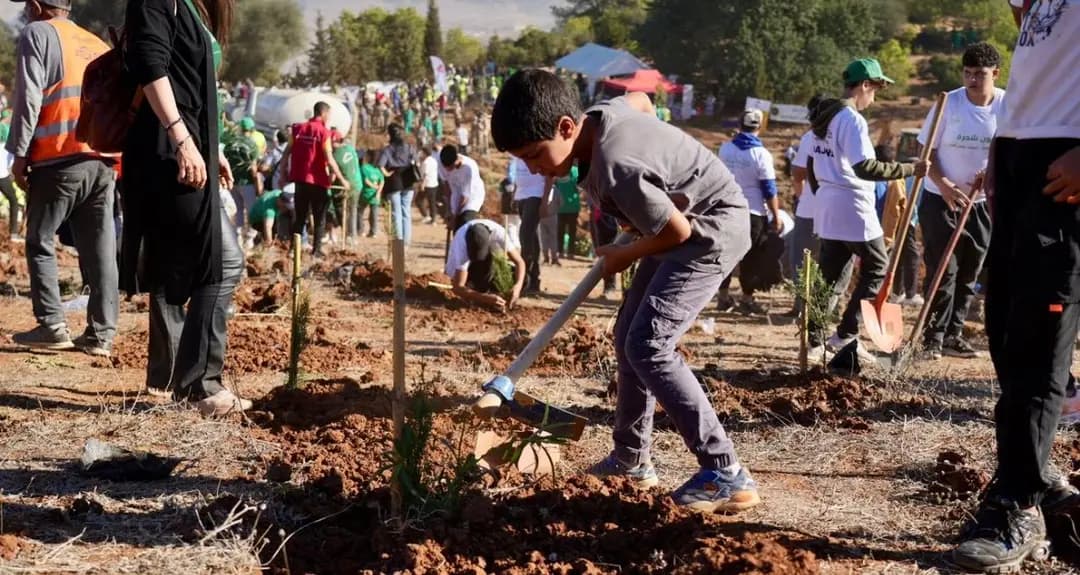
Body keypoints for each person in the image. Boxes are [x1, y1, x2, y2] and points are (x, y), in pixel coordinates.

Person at [492, 69, 759, 512]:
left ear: (566, 127)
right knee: (627, 338)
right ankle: (631, 459)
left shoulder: (616, 168)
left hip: (711, 230)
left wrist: (625, 254)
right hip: (677, 225)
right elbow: (640, 102)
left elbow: (676, 231)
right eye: (522, 160)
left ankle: (725, 471)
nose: (532, 167)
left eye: (535, 154)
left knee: (650, 344)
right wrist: (665, 170)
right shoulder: (601, 114)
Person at [950, 1, 1080, 571]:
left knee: (1035, 340)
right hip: (1020, 152)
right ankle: (1036, 474)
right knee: (1005, 332)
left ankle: (1016, 504)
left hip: (1065, 157)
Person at [121, 0, 248, 415]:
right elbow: (150, 63)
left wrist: (214, 149)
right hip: (166, 154)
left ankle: (176, 379)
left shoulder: (192, 6)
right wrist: (183, 140)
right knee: (223, 261)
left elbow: (193, 87)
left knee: (175, 261)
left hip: (188, 150)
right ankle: (199, 385)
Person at [8, 0, 118, 358]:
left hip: (57, 158)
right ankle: (102, 334)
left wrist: (19, 153)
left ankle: (52, 324)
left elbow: (28, 98)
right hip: (101, 162)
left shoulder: (37, 33)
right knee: (100, 248)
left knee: (40, 238)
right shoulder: (95, 42)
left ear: (36, 5)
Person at [806, 58, 928, 363]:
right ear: (864, 85)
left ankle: (814, 340)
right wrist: (910, 169)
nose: (875, 97)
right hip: (852, 203)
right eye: (875, 89)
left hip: (829, 203)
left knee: (829, 275)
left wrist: (822, 191)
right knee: (876, 265)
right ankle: (847, 331)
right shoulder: (851, 119)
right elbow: (865, 167)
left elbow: (811, 164)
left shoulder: (822, 119)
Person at [917, 42, 1003, 360]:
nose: (972, 81)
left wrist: (991, 172)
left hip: (981, 202)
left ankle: (955, 334)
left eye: (979, 74)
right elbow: (926, 151)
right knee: (944, 269)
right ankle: (932, 338)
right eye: (967, 74)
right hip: (941, 198)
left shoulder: (1007, 106)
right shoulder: (949, 104)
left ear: (995, 73)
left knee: (970, 270)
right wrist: (946, 184)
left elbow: (1010, 149)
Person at [717, 109, 783, 315]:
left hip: (726, 208)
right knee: (751, 257)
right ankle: (746, 299)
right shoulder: (761, 155)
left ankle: (723, 297)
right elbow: (769, 189)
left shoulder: (725, 149)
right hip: (753, 212)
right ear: (759, 127)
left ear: (740, 123)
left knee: (726, 254)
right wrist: (776, 215)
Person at [289, 102, 348, 257]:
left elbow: (287, 152)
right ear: (324, 114)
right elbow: (329, 158)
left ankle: (293, 249)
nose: (329, 118)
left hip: (300, 180)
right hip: (318, 181)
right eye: (329, 115)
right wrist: (342, 180)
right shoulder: (324, 133)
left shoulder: (298, 129)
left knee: (300, 216)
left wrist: (283, 172)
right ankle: (316, 250)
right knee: (319, 217)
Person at [445, 219, 525, 311]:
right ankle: (478, 290)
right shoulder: (461, 246)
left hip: (490, 259)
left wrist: (518, 287)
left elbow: (520, 262)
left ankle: (497, 294)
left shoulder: (499, 233)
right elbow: (458, 287)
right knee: (480, 277)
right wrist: (483, 297)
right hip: (469, 271)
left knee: (523, 278)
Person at [508, 155, 548, 294]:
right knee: (532, 238)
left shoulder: (536, 150)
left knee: (524, 235)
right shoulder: (517, 153)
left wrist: (544, 200)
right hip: (522, 195)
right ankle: (534, 281)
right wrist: (514, 194)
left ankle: (524, 279)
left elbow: (550, 175)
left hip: (536, 194)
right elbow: (517, 175)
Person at [378, 123, 417, 245]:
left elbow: (380, 165)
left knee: (396, 212)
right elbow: (415, 161)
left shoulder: (388, 149)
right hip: (408, 179)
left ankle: (398, 242)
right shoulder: (409, 147)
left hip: (394, 180)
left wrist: (386, 173)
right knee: (406, 212)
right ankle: (406, 242)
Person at [223, 118, 261, 240]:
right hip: (247, 183)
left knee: (238, 209)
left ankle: (237, 236)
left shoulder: (230, 143)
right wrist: (258, 184)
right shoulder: (251, 144)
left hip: (232, 182)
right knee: (251, 211)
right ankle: (250, 239)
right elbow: (253, 169)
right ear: (251, 129)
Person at [438, 144, 485, 232]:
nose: (448, 171)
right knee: (456, 229)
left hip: (472, 197)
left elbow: (465, 197)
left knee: (465, 223)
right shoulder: (441, 163)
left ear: (456, 161)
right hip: (456, 194)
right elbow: (447, 185)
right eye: (446, 168)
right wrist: (449, 209)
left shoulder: (468, 168)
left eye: (450, 168)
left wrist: (455, 217)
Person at [330, 131, 363, 242]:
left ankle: (347, 235)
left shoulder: (335, 155)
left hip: (345, 187)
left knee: (342, 210)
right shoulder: (350, 148)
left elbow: (332, 177)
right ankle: (352, 236)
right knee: (352, 210)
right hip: (357, 183)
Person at [0, 109, 19, 242]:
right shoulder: (9, 137)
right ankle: (13, 234)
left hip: (3, 173)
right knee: (13, 201)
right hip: (2, 175)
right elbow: (12, 163)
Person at [555, 164, 580, 260]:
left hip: (566, 207)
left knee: (562, 231)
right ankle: (569, 253)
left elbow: (555, 186)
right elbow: (579, 188)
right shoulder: (575, 171)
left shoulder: (559, 169)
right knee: (570, 231)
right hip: (569, 207)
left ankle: (561, 252)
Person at [358, 149, 383, 238]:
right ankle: (373, 232)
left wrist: (375, 188)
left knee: (360, 212)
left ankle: (361, 230)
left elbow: (366, 181)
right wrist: (378, 192)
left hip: (364, 194)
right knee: (373, 215)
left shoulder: (364, 168)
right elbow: (382, 182)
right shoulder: (378, 170)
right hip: (374, 196)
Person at [419, 146, 441, 224]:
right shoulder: (433, 160)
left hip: (427, 184)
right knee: (432, 201)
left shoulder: (426, 162)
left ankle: (426, 216)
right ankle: (433, 219)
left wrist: (422, 185)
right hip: (434, 183)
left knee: (419, 200)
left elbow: (425, 174)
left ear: (424, 153)